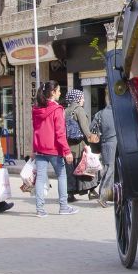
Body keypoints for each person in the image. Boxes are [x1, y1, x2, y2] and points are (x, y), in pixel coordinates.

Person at [31, 81, 76, 216]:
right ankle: (63, 207)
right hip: (54, 149)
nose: (60, 93)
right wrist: (67, 151)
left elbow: (35, 130)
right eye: (58, 90)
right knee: (62, 175)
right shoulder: (57, 110)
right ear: (52, 92)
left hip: (40, 149)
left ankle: (40, 210)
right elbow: (60, 133)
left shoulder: (36, 109)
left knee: (40, 178)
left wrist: (33, 149)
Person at [63, 89, 97, 202]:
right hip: (80, 145)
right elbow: (85, 130)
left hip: (68, 146)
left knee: (70, 171)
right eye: (82, 98)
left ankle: (70, 194)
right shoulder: (79, 110)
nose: (83, 100)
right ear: (77, 99)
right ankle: (92, 191)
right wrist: (92, 139)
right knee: (86, 167)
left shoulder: (65, 111)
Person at [93, 100, 117, 207]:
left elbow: (91, 128)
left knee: (107, 169)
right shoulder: (118, 113)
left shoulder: (100, 113)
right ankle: (103, 197)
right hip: (114, 143)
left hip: (104, 143)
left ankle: (103, 195)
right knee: (110, 170)